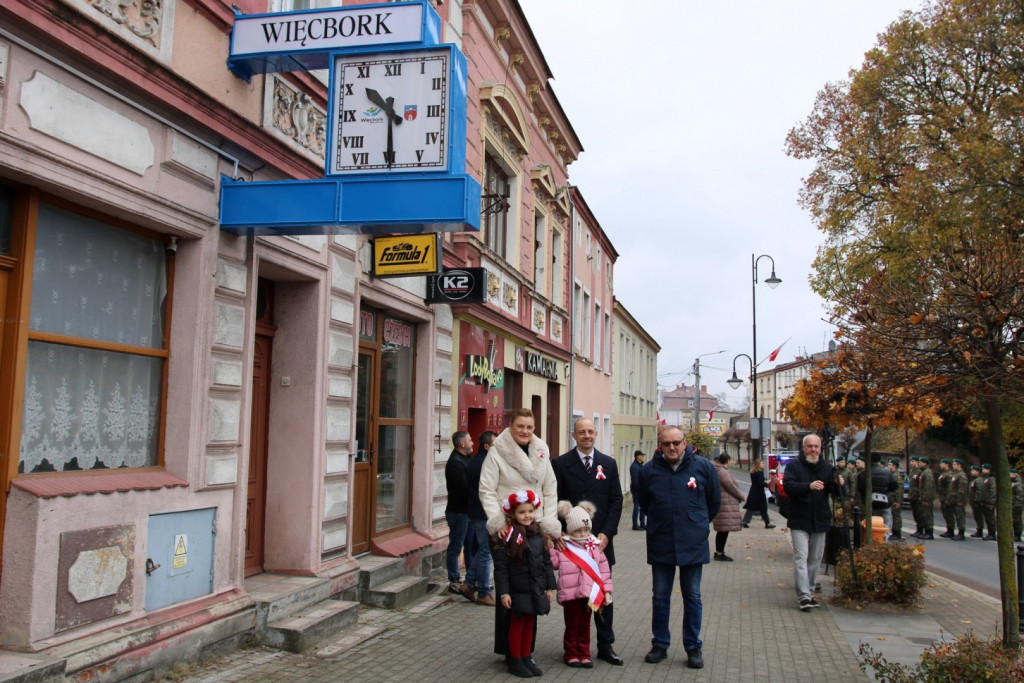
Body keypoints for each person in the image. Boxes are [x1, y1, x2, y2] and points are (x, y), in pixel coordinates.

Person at [636, 426, 721, 669]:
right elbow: (643, 500)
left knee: (693, 596)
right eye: (666, 444)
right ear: (660, 445)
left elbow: (713, 502)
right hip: (661, 540)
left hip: (692, 541)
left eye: (676, 442)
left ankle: (693, 646)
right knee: (660, 596)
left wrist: (698, 522)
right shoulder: (650, 470)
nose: (672, 448)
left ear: (685, 443)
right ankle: (660, 644)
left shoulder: (703, 467)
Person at [479, 408, 560, 659]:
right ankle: (508, 650)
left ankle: (527, 650)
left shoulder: (541, 451)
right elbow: (487, 490)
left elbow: (550, 490)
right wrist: (497, 523)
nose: (525, 431)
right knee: (510, 589)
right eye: (520, 426)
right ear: (510, 427)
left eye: (529, 427)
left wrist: (548, 523)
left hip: (534, 527)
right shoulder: (497, 452)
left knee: (533, 586)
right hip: (508, 529)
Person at [551, 417, 624, 666]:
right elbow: (553, 501)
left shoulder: (609, 464)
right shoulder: (560, 464)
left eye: (591, 431)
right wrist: (558, 534)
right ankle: (574, 648)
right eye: (581, 432)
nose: (587, 436)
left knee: (602, 596)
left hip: (600, 546)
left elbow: (616, 502)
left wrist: (607, 533)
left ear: (596, 434)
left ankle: (605, 645)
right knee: (574, 600)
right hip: (572, 548)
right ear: (574, 435)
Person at [492, 490, 556, 678]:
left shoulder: (538, 534)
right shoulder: (508, 537)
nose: (527, 515)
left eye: (530, 511)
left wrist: (549, 587)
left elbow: (546, 562)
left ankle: (526, 656)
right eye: (522, 512)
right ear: (513, 514)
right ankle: (516, 660)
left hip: (534, 587)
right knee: (518, 623)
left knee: (530, 622)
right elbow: (501, 569)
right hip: (517, 589)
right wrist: (504, 593)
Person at [783, 433, 843, 611]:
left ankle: (809, 590)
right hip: (800, 520)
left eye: (816, 446)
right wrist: (808, 486)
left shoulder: (827, 468)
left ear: (821, 449)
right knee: (801, 557)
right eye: (810, 446)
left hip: (820, 519)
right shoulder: (794, 466)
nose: (813, 450)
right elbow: (788, 486)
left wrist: (840, 483)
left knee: (815, 558)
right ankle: (803, 596)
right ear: (803, 448)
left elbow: (836, 493)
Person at [550, 500, 613, 669]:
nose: (583, 533)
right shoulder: (564, 546)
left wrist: (606, 590)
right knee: (572, 624)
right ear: (570, 530)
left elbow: (604, 570)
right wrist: (550, 545)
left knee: (585, 625)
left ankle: (584, 653)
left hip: (588, 593)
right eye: (578, 531)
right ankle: (571, 653)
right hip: (570, 594)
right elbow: (553, 563)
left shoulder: (594, 546)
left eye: (586, 529)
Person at [465, 430, 498, 605]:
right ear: (487, 446)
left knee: (483, 549)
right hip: (482, 513)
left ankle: (469, 583)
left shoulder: (478, 460)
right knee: (486, 552)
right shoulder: (483, 463)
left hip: (479, 512)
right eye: (495, 444)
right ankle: (484, 592)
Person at [445, 431, 475, 597]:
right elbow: (464, 487)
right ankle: (454, 580)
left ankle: (470, 581)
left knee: (470, 546)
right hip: (458, 512)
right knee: (456, 546)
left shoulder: (465, 459)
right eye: (469, 440)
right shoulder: (456, 462)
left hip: (467, 511)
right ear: (462, 444)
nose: (472, 442)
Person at [712, 453, 744, 561]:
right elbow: (730, 486)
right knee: (723, 530)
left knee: (723, 529)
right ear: (727, 461)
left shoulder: (718, 470)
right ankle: (719, 552)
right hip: (725, 504)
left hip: (723, 502)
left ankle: (719, 551)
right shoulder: (722, 471)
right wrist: (741, 496)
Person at [856, 452, 897, 534]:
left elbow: (860, 489)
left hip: (869, 503)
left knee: (870, 525)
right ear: (879, 461)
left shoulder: (863, 474)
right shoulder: (887, 473)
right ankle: (884, 541)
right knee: (886, 525)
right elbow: (894, 487)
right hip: (885, 503)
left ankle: (871, 541)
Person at [742, 458, 775, 529]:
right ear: (758, 464)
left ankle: (745, 521)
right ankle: (767, 523)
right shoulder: (759, 473)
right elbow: (760, 484)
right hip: (759, 493)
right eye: (762, 463)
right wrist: (766, 483)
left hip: (753, 492)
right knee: (764, 508)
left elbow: (756, 483)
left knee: (751, 508)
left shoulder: (753, 472)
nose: (763, 464)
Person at [947, 459, 969, 541]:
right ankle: (958, 532)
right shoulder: (955, 474)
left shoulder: (961, 475)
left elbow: (962, 490)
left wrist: (960, 500)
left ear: (959, 465)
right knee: (957, 516)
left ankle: (961, 533)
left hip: (958, 500)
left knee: (960, 516)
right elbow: (951, 489)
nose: (953, 465)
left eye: (955, 464)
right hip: (953, 499)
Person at [917, 457, 936, 540]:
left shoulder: (927, 473)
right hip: (923, 497)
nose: (919, 464)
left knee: (928, 515)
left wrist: (926, 499)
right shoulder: (923, 472)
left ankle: (929, 532)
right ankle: (926, 531)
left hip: (927, 498)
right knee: (924, 515)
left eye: (920, 462)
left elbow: (928, 487)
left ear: (925, 463)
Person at [887, 459, 904, 540]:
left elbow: (899, 489)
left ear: (894, 466)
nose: (888, 466)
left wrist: (898, 501)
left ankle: (897, 533)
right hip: (892, 498)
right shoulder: (891, 474)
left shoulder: (896, 475)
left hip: (895, 499)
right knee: (893, 515)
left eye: (890, 464)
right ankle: (894, 532)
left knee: (896, 516)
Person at [630, 451, 647, 530]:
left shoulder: (640, 465)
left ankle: (642, 523)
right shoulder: (634, 467)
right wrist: (641, 489)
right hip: (637, 490)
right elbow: (635, 481)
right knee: (637, 507)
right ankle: (635, 524)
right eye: (642, 456)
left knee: (643, 507)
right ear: (638, 457)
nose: (643, 457)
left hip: (642, 490)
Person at [937, 459, 954, 537]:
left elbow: (949, 488)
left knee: (949, 514)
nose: (940, 465)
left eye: (942, 463)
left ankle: (951, 530)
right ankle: (949, 529)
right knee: (945, 514)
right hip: (943, 497)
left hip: (947, 497)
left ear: (947, 465)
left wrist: (948, 498)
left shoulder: (949, 474)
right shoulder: (943, 473)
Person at [980, 463, 997, 540]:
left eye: (984, 469)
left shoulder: (991, 480)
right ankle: (990, 532)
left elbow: (993, 491)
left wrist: (991, 502)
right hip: (984, 501)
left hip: (989, 502)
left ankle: (992, 533)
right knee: (987, 518)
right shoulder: (983, 479)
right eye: (982, 469)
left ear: (989, 470)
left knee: (990, 518)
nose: (983, 470)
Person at [908, 456, 923, 537]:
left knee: (919, 513)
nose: (911, 463)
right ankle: (918, 529)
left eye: (913, 461)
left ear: (917, 462)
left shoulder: (919, 471)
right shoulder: (912, 471)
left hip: (917, 495)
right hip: (912, 495)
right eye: (910, 461)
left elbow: (921, 485)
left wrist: (920, 495)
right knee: (915, 513)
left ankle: (921, 529)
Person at [969, 464, 985, 538]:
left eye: (973, 470)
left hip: (977, 502)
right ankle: (979, 530)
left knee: (979, 516)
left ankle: (980, 530)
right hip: (974, 501)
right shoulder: (974, 480)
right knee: (976, 516)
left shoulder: (978, 480)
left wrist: (977, 501)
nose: (971, 472)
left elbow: (979, 491)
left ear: (977, 472)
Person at [1010, 469, 1023, 542]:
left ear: (1015, 474)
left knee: (1017, 520)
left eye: (1011, 474)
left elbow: (1019, 495)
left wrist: (1017, 505)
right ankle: (1015, 534)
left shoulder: (1018, 484)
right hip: (1012, 504)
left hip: (1016, 505)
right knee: (1013, 520)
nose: (1010, 475)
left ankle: (1018, 535)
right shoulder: (1012, 482)